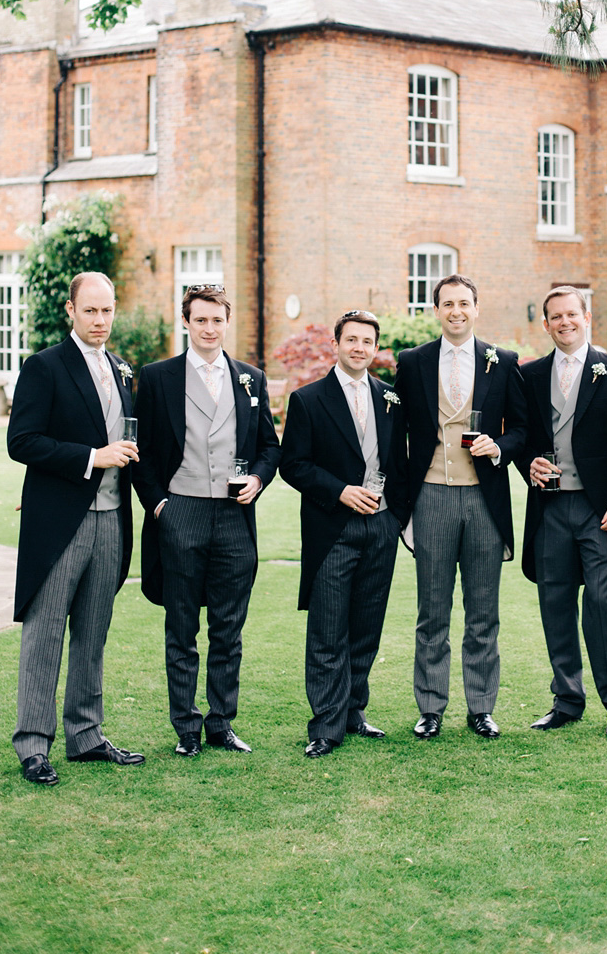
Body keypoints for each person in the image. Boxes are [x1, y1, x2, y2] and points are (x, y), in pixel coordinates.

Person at [7, 271, 143, 785]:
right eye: (91, 310)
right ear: (71, 310)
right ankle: (33, 746)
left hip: (112, 520)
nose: (101, 320)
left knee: (93, 632)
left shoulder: (124, 370)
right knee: (44, 633)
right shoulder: (44, 367)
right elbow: (22, 441)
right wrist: (93, 457)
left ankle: (85, 736)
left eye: (107, 310)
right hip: (61, 521)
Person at [132, 284, 280, 756]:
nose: (209, 329)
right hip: (182, 511)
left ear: (226, 322)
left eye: (217, 320)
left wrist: (257, 480)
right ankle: (186, 728)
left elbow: (269, 447)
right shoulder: (157, 378)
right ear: (187, 322)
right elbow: (144, 454)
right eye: (201, 320)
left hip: (235, 516)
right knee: (181, 627)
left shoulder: (251, 379)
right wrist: (159, 506)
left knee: (228, 627)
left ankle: (221, 722)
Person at [387, 275, 527, 739]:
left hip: (485, 499)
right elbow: (394, 429)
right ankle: (430, 707)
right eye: (447, 304)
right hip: (431, 495)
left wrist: (499, 446)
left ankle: (482, 707)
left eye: (464, 303)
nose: (456, 312)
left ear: (476, 307)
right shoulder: (413, 362)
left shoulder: (502, 362)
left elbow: (522, 431)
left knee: (484, 611)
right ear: (435, 310)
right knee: (432, 610)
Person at [518, 285, 607, 738]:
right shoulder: (530, 375)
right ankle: (567, 698)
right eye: (556, 316)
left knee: (602, 604)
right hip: (550, 507)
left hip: (600, 510)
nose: (564, 323)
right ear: (547, 322)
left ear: (586, 316)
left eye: (572, 314)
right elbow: (522, 437)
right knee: (554, 603)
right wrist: (527, 460)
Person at [280, 310, 404, 758]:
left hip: (381, 525)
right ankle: (325, 726)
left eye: (367, 341)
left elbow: (402, 464)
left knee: (366, 627)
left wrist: (395, 519)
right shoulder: (308, 400)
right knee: (328, 630)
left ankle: (354, 713)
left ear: (375, 348)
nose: (358, 348)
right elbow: (292, 466)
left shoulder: (391, 398)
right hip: (332, 528)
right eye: (351, 339)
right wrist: (340, 492)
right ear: (336, 344)